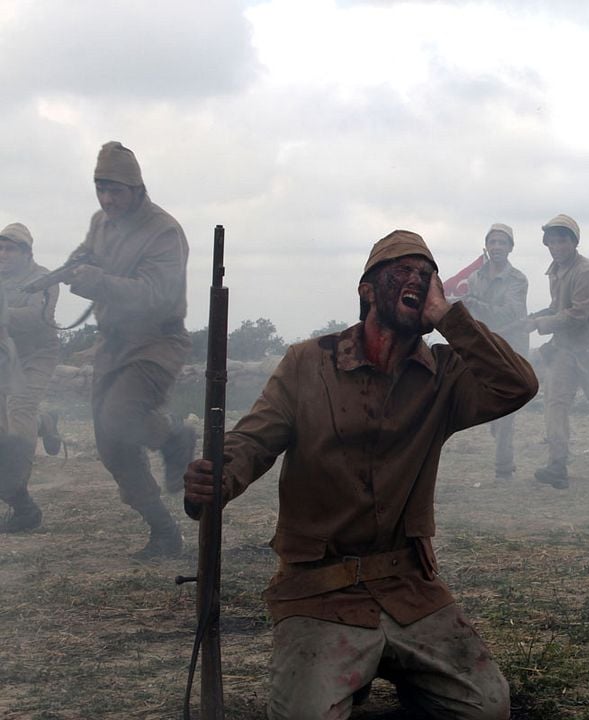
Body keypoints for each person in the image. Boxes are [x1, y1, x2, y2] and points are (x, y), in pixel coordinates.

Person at [184, 230, 537, 720]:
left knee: (486, 708)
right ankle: (350, 672)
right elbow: (253, 440)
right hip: (319, 589)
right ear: (367, 290)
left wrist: (449, 317)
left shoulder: (445, 376)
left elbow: (518, 385)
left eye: (426, 275)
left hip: (409, 587)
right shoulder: (307, 363)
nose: (416, 280)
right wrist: (219, 477)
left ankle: (391, 676)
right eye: (402, 272)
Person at [58, 141, 196, 559]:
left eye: (115, 190)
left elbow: (156, 294)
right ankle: (162, 530)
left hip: (157, 339)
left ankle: (174, 436)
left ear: (137, 188)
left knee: (120, 417)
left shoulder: (164, 231)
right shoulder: (102, 222)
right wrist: (75, 265)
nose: (106, 199)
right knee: (109, 442)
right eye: (101, 189)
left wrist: (96, 282)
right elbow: (89, 253)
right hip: (114, 341)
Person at [523, 214, 589, 490]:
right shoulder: (556, 271)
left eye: (562, 241)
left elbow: (577, 315)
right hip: (566, 349)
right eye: (552, 242)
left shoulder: (586, 272)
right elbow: (559, 306)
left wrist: (539, 324)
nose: (556, 246)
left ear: (573, 242)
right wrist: (534, 317)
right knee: (555, 402)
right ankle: (557, 465)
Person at [0, 223, 60, 532]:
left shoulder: (43, 279)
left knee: (18, 418)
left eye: (11, 248)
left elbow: (38, 318)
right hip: (6, 355)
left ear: (27, 252)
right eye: (1, 247)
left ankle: (18, 498)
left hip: (36, 355)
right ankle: (46, 422)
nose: (3, 254)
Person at [462, 223, 530, 481]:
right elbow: (473, 314)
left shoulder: (518, 279)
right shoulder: (475, 278)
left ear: (511, 247)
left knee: (508, 410)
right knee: (490, 405)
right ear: (487, 246)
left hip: (511, 348)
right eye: (493, 242)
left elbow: (510, 312)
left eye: (503, 242)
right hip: (484, 347)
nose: (498, 247)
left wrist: (474, 304)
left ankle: (503, 468)